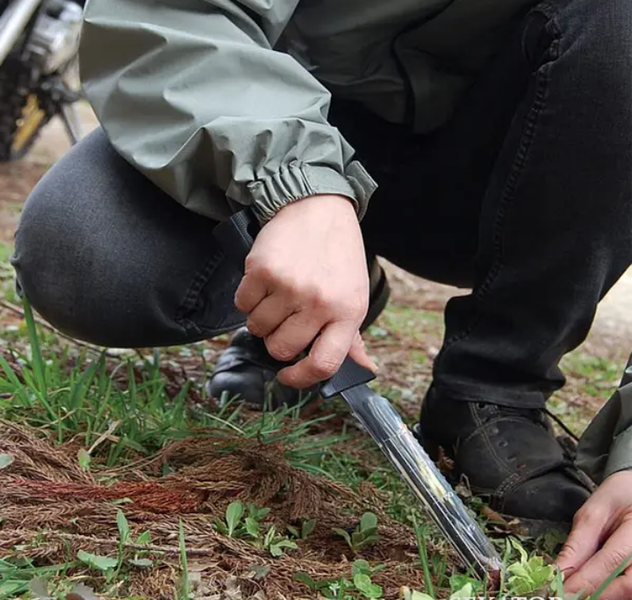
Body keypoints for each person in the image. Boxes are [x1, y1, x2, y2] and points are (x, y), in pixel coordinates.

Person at [9, 0, 632, 596]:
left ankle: (495, 386)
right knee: (87, 249)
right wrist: (292, 184)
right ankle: (323, 279)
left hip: (526, 157)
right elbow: (169, 13)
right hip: (285, 110)